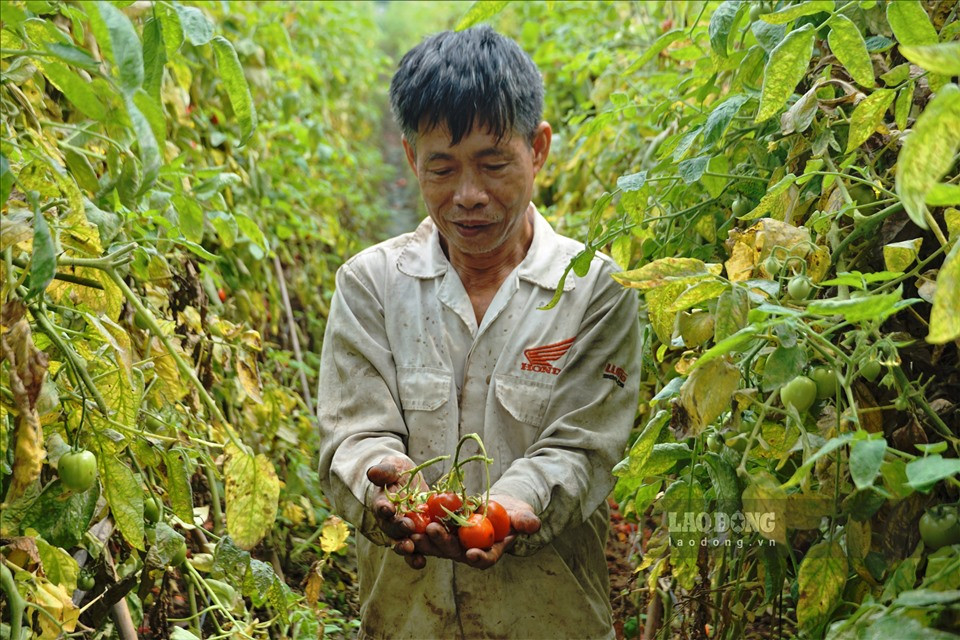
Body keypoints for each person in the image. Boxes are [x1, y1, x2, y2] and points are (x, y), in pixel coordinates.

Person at [317, 25, 641, 639]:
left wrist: (515, 506)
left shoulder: (594, 291)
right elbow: (352, 433)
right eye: (442, 169)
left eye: (494, 165)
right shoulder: (370, 285)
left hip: (550, 620)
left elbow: (582, 447)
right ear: (412, 158)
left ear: (538, 149)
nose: (469, 196)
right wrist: (383, 479)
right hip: (407, 621)